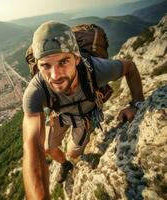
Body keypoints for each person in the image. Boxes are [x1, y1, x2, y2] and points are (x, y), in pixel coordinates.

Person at [22, 21, 144, 199]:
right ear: (38, 65)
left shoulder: (96, 70)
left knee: (72, 153)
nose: (55, 76)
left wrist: (136, 104)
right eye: (46, 66)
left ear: (77, 58)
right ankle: (65, 165)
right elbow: (32, 145)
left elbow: (130, 67)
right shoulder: (35, 90)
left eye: (63, 61)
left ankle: (70, 158)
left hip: (83, 119)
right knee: (48, 148)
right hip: (61, 116)